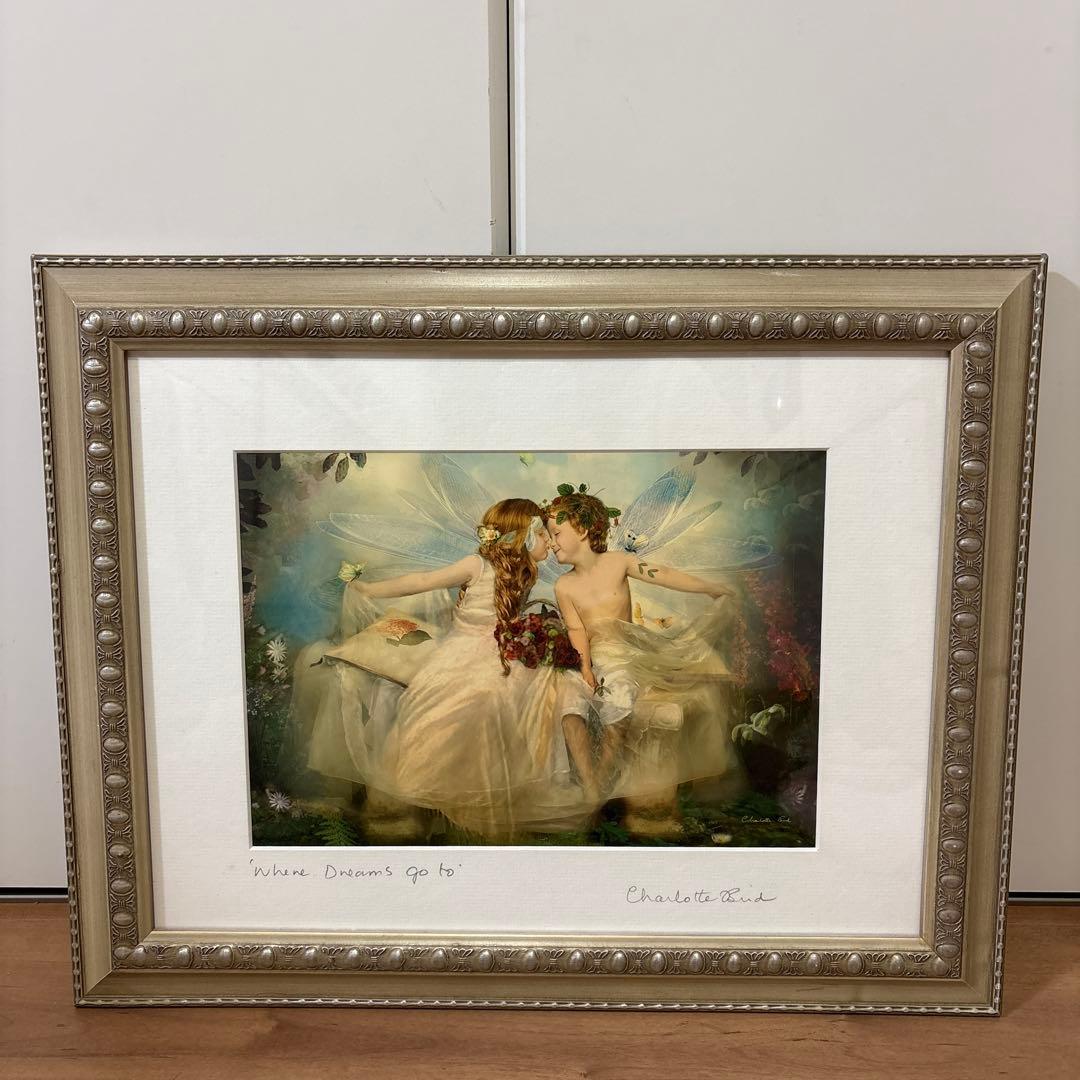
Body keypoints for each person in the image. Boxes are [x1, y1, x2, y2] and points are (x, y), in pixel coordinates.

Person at [328, 497, 583, 838]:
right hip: (463, 649)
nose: (550, 542)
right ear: (523, 536)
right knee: (461, 700)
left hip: (501, 649)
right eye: (543, 535)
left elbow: (509, 618)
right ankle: (426, 787)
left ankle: (492, 791)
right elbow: (423, 580)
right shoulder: (477, 564)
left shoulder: (525, 570)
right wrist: (371, 589)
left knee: (509, 694)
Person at [546, 489, 739, 802]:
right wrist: (584, 668)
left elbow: (662, 575)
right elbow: (576, 628)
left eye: (556, 533)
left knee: (619, 698)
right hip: (591, 657)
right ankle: (588, 779)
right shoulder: (564, 585)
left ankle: (602, 778)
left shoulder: (617, 562)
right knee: (569, 701)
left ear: (582, 529)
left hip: (622, 654)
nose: (551, 542)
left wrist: (709, 588)